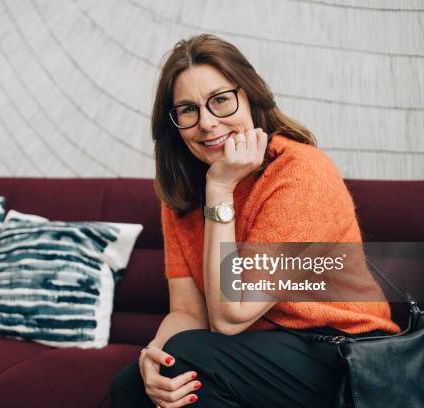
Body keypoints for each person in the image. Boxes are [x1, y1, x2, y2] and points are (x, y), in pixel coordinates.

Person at [110, 34, 399, 408]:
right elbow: (187, 311)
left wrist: (219, 190)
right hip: (262, 350)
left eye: (220, 101)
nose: (208, 123)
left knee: (190, 360)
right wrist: (154, 354)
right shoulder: (181, 194)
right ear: (174, 123)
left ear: (249, 95)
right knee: (134, 385)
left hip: (345, 352)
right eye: (187, 109)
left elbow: (231, 315)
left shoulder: (298, 173)